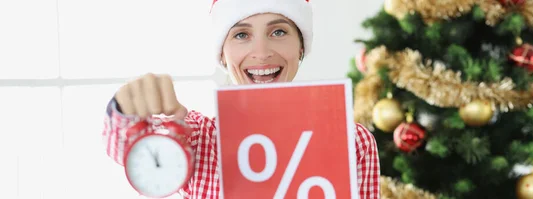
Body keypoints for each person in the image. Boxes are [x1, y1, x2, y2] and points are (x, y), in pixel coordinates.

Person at [101, 0, 381, 198]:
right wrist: (125, 109)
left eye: (279, 31)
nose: (261, 52)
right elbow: (124, 148)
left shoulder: (352, 142)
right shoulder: (198, 138)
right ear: (222, 55)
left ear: (301, 48)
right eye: (241, 34)